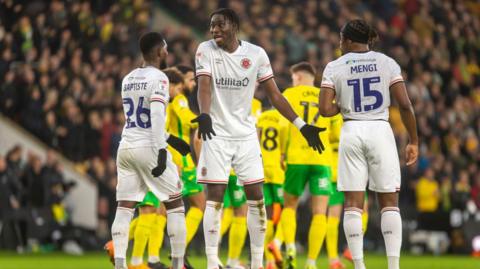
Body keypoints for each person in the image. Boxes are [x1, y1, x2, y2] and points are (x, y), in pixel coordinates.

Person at [193, 8, 325, 269]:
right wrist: (205, 114)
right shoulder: (205, 49)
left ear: (234, 25)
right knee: (215, 196)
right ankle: (211, 261)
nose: (214, 30)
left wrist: (301, 125)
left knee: (257, 198)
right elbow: (204, 85)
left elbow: (275, 95)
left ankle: (256, 262)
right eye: (212, 26)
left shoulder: (256, 54)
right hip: (216, 133)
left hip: (245, 136)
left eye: (219, 25)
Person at [319, 20, 419, 269]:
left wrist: (343, 104)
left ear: (351, 40)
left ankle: (360, 266)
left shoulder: (334, 66)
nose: (340, 43)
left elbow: (324, 109)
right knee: (389, 202)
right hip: (380, 130)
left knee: (353, 204)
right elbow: (405, 105)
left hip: (351, 128)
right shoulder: (387, 63)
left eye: (342, 38)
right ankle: (393, 266)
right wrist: (414, 140)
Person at [110, 32, 187, 269]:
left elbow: (138, 118)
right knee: (175, 205)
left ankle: (121, 265)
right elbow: (154, 115)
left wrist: (171, 139)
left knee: (124, 208)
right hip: (149, 147)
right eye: (165, 48)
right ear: (157, 52)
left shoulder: (129, 78)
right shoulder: (161, 79)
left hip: (127, 147)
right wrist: (163, 150)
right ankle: (176, 264)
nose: (167, 52)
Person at [277, 62, 334, 269]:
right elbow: (337, 132)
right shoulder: (326, 96)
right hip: (321, 160)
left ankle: (290, 247)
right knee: (320, 212)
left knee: (289, 206)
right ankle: (311, 262)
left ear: (298, 77)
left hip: (296, 158)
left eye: (293, 78)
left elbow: (283, 126)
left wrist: (282, 152)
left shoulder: (290, 94)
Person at [257, 106, 285, 269]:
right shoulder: (283, 116)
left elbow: (256, 138)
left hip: (262, 169)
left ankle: (268, 262)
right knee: (286, 211)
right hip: (278, 170)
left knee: (267, 217)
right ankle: (276, 243)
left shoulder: (262, 117)